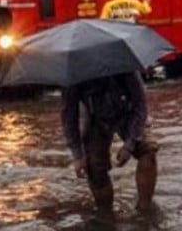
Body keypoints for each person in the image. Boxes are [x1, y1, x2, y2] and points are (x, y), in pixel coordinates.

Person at [61, 71, 159, 219]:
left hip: (129, 114)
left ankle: (145, 210)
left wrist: (129, 145)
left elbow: (140, 106)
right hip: (95, 119)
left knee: (148, 151)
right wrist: (77, 156)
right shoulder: (75, 75)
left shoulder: (125, 66)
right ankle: (106, 215)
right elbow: (69, 117)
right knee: (93, 167)